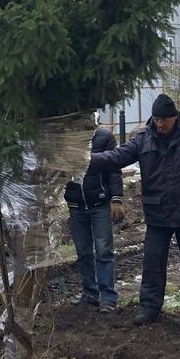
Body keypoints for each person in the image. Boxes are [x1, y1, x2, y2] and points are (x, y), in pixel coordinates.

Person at [88, 93, 180, 326]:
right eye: (157, 119)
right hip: (158, 212)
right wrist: (87, 161)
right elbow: (117, 157)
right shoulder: (143, 137)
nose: (160, 124)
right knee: (153, 262)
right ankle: (150, 307)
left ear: (175, 118)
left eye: (164, 120)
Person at [64, 125, 125, 313]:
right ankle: (89, 293)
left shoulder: (103, 137)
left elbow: (113, 169)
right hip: (76, 205)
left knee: (104, 250)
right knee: (83, 252)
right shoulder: (65, 139)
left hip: (99, 203)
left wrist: (116, 198)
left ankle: (107, 296)